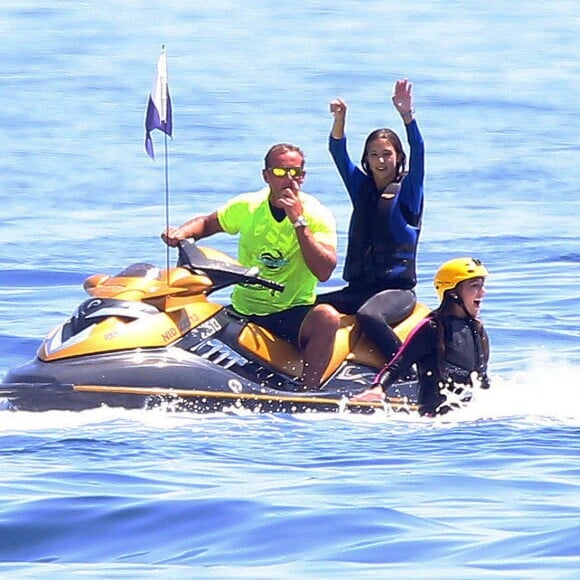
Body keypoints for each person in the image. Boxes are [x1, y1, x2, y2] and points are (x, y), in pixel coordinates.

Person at [162, 143, 341, 390]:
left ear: (303, 176)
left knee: (327, 317)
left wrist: (298, 221)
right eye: (280, 172)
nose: (288, 179)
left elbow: (324, 271)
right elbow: (207, 223)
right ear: (266, 175)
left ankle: (307, 391)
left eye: (295, 173)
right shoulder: (248, 206)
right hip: (244, 309)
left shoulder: (316, 215)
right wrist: (181, 232)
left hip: (290, 312)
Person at [318, 79, 425, 360]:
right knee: (308, 307)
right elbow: (337, 152)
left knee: (370, 316)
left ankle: (404, 372)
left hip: (396, 292)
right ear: (366, 158)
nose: (380, 161)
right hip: (358, 288)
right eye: (374, 154)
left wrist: (407, 117)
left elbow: (420, 152)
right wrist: (340, 119)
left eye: (386, 154)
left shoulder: (409, 191)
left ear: (398, 157)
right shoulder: (360, 187)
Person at [352, 257, 491, 416]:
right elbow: (399, 364)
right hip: (433, 421)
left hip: (468, 417)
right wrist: (378, 388)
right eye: (475, 286)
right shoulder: (432, 328)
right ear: (453, 293)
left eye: (482, 285)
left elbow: (482, 379)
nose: (483, 292)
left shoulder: (477, 330)